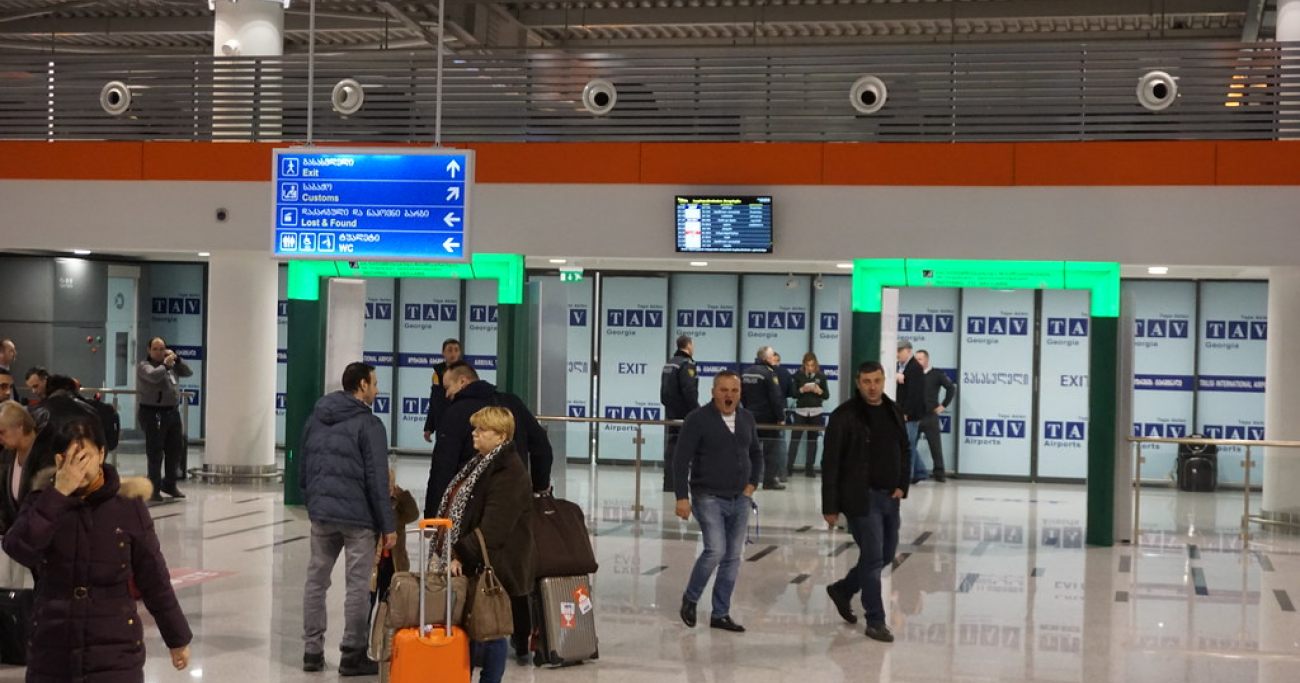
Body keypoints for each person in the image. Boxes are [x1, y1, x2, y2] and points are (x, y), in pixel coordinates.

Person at [2, 411, 192, 679]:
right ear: (58, 460)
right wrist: (58, 495)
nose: (78, 466)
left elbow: (154, 576)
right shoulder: (42, 501)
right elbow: (18, 547)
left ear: (101, 454)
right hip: (54, 645)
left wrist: (177, 637)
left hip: (114, 648)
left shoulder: (127, 506)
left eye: (84, 456)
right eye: (69, 458)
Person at [299, 361, 397, 676]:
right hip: (359, 520)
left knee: (316, 581)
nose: (377, 390)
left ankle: (312, 651)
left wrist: (313, 503)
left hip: (322, 515)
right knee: (357, 585)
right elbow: (377, 479)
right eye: (374, 383)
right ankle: (352, 655)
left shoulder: (316, 417)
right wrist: (388, 525)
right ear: (362, 385)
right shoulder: (370, 425)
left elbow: (303, 466)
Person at [434, 406, 534, 683]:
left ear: (501, 436)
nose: (474, 433)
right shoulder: (482, 463)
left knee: (490, 627)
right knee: (477, 625)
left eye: (482, 429)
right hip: (480, 559)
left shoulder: (509, 472)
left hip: (496, 564)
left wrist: (460, 553)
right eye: (475, 428)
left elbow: (493, 530)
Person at [822, 361, 911, 643]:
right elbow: (831, 462)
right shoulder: (844, 415)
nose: (872, 387)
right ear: (858, 383)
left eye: (877, 381)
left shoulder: (893, 410)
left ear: (884, 380)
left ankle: (843, 589)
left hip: (890, 497)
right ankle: (875, 620)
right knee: (872, 558)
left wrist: (902, 484)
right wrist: (830, 506)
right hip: (860, 497)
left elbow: (905, 449)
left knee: (885, 555)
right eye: (866, 382)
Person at [673, 371, 763, 634]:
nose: (729, 395)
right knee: (716, 550)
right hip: (708, 496)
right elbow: (680, 460)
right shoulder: (697, 419)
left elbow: (756, 453)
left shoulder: (747, 419)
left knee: (733, 557)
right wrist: (681, 497)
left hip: (740, 498)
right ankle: (691, 598)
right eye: (723, 390)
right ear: (713, 392)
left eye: (734, 390)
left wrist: (752, 485)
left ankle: (720, 613)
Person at [424, 362, 553, 517]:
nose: (446, 394)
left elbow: (442, 470)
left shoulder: (455, 413)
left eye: (447, 387)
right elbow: (541, 446)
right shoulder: (513, 403)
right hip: (517, 503)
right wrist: (540, 487)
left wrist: (432, 517)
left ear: (462, 381)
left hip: (471, 510)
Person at [137, 337, 192, 500]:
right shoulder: (144, 366)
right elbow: (153, 376)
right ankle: (153, 488)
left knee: (175, 449)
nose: (159, 352)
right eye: (155, 349)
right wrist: (165, 366)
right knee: (155, 451)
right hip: (153, 413)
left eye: (162, 349)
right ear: (149, 350)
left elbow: (188, 372)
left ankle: (170, 483)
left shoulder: (171, 365)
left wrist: (178, 360)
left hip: (172, 412)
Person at [0, 400, 55, 532]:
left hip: (39, 535)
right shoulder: (6, 455)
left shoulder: (47, 457)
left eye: (2, 432)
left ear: (20, 426)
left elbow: (45, 506)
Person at [371, 468, 420, 607]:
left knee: (389, 604)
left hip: (394, 563)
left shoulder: (398, 504)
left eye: (390, 484)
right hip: (373, 563)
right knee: (368, 601)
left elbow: (413, 514)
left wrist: (401, 494)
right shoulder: (371, 502)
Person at [741, 345, 786, 490]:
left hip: (750, 417)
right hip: (768, 419)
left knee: (750, 451)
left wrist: (748, 410)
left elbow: (742, 396)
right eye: (772, 356)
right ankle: (769, 481)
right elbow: (776, 398)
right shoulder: (769, 373)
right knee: (771, 452)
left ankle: (748, 480)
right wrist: (780, 417)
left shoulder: (746, 373)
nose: (773, 358)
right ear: (766, 358)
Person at [660, 335, 699, 492]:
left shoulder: (670, 363)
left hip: (671, 413)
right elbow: (689, 391)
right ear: (688, 345)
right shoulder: (686, 364)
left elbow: (664, 392)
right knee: (686, 448)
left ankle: (669, 482)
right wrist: (696, 410)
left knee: (672, 447)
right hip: (685, 414)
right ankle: (684, 482)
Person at [915, 350, 955, 483]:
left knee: (935, 447)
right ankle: (910, 473)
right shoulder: (912, 374)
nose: (917, 362)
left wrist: (943, 405)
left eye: (920, 359)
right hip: (915, 416)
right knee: (910, 446)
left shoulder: (937, 374)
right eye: (916, 359)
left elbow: (951, 388)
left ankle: (939, 473)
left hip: (930, 416)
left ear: (927, 360)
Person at [788, 352, 830, 477]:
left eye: (812, 365)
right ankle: (789, 467)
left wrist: (819, 390)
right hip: (801, 411)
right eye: (807, 365)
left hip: (816, 412)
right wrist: (802, 389)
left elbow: (826, 395)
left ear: (816, 364)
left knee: (812, 441)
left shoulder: (821, 376)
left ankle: (809, 468)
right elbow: (793, 393)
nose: (810, 368)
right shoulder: (798, 375)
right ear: (804, 365)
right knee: (794, 440)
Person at [895, 340, 927, 483]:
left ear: (908, 351)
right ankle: (920, 472)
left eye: (899, 351)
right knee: (908, 444)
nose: (897, 354)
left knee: (908, 445)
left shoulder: (915, 368)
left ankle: (908, 476)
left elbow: (915, 394)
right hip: (900, 412)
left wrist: (906, 412)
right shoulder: (899, 367)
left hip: (910, 415)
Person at [423, 338, 463, 442]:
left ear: (460, 353)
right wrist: (429, 427)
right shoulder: (437, 373)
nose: (453, 353)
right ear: (443, 353)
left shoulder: (466, 373)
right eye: (449, 350)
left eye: (456, 350)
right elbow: (434, 401)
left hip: (461, 423)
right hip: (442, 422)